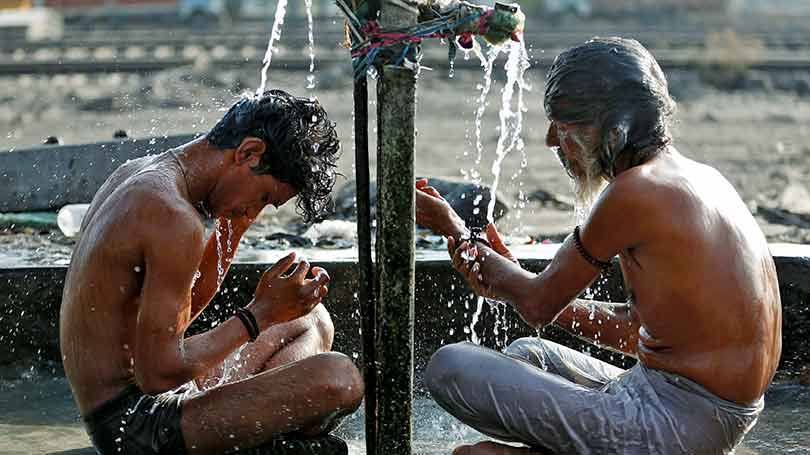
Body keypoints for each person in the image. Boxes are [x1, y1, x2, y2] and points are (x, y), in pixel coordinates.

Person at [415, 37, 782, 455]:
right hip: (703, 413)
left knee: (450, 367)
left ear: (611, 129)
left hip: (679, 424)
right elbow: (635, 330)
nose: (553, 140)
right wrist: (520, 282)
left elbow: (536, 306)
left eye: (563, 124)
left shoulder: (634, 192)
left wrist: (453, 228)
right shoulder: (700, 176)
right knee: (527, 355)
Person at [60, 89, 364, 455]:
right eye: (265, 198)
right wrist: (259, 314)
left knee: (311, 321)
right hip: (136, 428)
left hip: (151, 398)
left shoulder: (143, 174)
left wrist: (236, 224)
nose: (256, 209)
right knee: (340, 379)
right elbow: (158, 373)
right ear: (248, 153)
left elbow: (177, 318)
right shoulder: (172, 216)